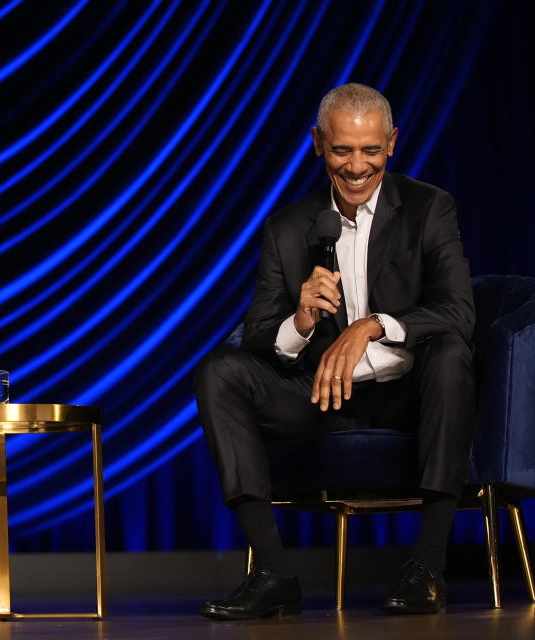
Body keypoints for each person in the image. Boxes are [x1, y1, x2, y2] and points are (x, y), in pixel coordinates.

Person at [194, 83, 475, 619]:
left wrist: (369, 326)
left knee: (451, 356)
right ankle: (273, 571)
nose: (356, 167)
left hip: (405, 393)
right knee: (218, 373)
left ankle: (428, 567)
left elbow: (458, 311)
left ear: (391, 144)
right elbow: (257, 338)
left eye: (370, 150)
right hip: (319, 398)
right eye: (342, 150)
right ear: (317, 144)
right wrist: (298, 323)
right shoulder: (288, 229)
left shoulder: (428, 208)